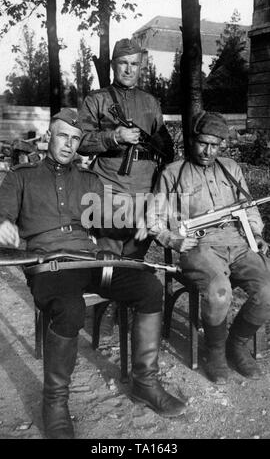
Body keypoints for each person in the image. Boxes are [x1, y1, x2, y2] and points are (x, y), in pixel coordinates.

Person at [0, 108, 186, 440]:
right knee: (69, 308)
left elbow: (109, 218)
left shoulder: (88, 180)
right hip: (49, 265)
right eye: (62, 136)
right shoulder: (21, 176)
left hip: (88, 261)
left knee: (147, 288)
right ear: (48, 137)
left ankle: (145, 383)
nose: (69, 144)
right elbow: (3, 213)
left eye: (75, 139)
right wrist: (4, 225)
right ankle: (55, 402)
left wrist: (139, 223)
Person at [147, 110, 270, 385]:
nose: (207, 151)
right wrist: (173, 240)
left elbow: (247, 208)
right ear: (192, 140)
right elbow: (153, 220)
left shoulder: (231, 168)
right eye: (203, 143)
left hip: (237, 243)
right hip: (198, 246)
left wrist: (257, 235)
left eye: (215, 145)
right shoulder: (172, 173)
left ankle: (236, 344)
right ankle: (214, 350)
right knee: (219, 291)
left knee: (268, 288)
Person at [78, 37, 174, 258]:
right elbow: (81, 142)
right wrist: (113, 137)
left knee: (136, 255)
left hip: (145, 188)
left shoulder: (150, 102)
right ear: (113, 65)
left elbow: (165, 147)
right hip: (109, 187)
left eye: (134, 64)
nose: (129, 70)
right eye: (123, 63)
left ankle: (130, 286)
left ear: (141, 66)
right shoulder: (97, 100)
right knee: (108, 253)